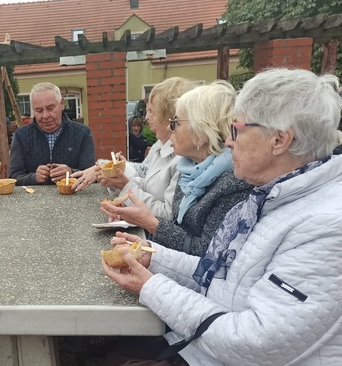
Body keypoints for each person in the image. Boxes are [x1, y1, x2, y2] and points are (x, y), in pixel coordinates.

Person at [90, 68, 342, 366]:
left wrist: (150, 286)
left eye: (237, 129)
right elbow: (225, 274)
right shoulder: (286, 196)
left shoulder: (330, 224)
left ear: (280, 139)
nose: (228, 141)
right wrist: (154, 257)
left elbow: (258, 343)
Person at [101, 81, 252, 256]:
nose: (169, 127)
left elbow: (207, 253)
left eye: (176, 122)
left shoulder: (233, 181)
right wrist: (139, 227)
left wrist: (151, 225)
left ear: (201, 132)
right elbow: (177, 228)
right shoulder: (189, 168)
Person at [74, 77, 195, 223]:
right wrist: (117, 181)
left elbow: (167, 216)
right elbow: (147, 184)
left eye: (152, 112)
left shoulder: (186, 159)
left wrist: (125, 185)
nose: (146, 117)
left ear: (170, 117)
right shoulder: (160, 147)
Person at [8, 82, 95, 185]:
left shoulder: (83, 133)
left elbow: (91, 175)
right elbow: (13, 178)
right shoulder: (21, 136)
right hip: (33, 199)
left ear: (62, 104)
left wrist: (71, 173)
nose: (45, 115)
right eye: (39, 110)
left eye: (50, 108)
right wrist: (33, 177)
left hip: (72, 198)